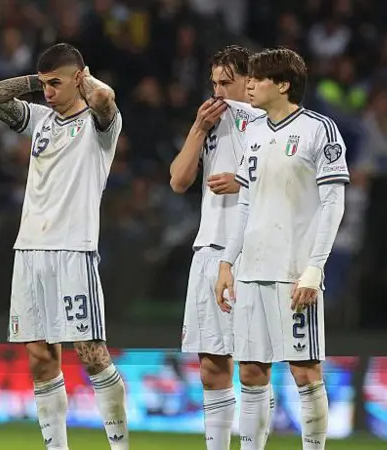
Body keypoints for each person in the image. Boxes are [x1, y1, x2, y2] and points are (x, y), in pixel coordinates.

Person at [0, 43, 128, 450]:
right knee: (40, 357)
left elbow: (104, 98)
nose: (47, 92)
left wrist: (83, 78)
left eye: (55, 83)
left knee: (91, 354)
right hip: (29, 250)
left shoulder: (100, 125)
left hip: (73, 248)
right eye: (44, 84)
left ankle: (120, 446)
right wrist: (36, 80)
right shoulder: (41, 119)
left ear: (79, 78)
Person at [215, 48, 348, 450]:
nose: (250, 85)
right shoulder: (253, 132)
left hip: (293, 273)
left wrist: (314, 268)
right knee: (251, 372)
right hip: (251, 270)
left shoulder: (319, 130)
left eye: (258, 78)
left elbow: (333, 203)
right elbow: (245, 203)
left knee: (305, 372)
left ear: (284, 85)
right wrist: (227, 262)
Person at [169, 45, 274, 450]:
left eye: (226, 83)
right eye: (214, 83)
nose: (217, 92)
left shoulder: (271, 123)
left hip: (253, 252)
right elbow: (179, 180)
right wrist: (197, 129)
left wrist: (243, 181)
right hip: (209, 250)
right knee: (212, 366)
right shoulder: (211, 121)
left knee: (252, 368)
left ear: (251, 82)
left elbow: (292, 183)